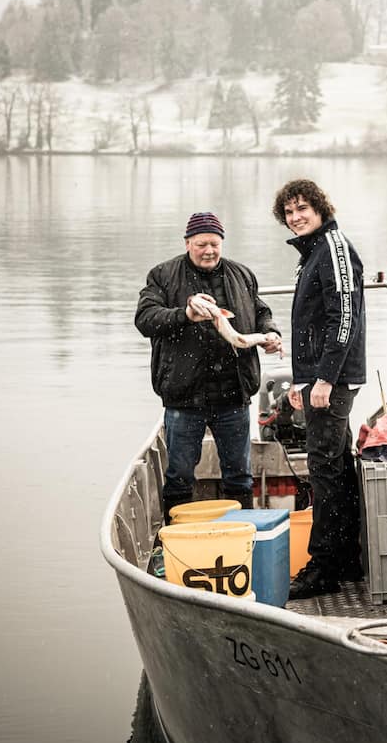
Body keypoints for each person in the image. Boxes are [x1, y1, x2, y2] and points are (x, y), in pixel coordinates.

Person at [135, 211, 282, 522]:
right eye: (201, 243)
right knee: (179, 476)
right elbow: (145, 320)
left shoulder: (242, 275)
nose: (208, 250)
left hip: (233, 396)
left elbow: (261, 312)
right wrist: (185, 316)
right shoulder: (162, 275)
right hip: (184, 397)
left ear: (221, 243)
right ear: (188, 243)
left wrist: (270, 333)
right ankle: (173, 537)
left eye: (214, 244)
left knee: (240, 475)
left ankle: (244, 535)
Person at [271, 179, 366, 599]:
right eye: (289, 212)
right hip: (319, 378)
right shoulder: (313, 252)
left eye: (302, 208)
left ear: (320, 209)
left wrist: (325, 378)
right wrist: (301, 380)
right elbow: (310, 324)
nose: (295, 217)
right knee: (338, 468)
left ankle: (323, 568)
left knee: (324, 471)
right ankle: (346, 558)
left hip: (336, 379)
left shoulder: (334, 248)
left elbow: (343, 318)